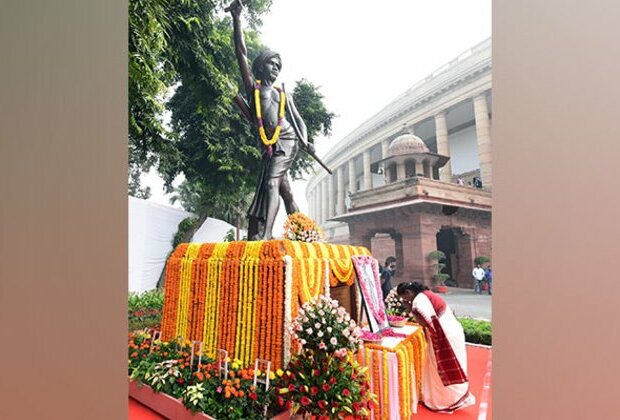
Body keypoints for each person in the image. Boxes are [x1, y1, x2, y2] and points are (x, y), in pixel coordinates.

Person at [229, 0, 315, 240]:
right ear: (260, 67)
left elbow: (299, 121)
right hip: (268, 144)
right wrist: (237, 19)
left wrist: (306, 141)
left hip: (286, 139)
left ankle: (266, 235)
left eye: (279, 65)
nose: (276, 68)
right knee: (285, 191)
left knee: (271, 184)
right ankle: (305, 233)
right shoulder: (253, 89)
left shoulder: (282, 93)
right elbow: (241, 54)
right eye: (271, 63)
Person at [397, 282, 475, 413]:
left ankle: (442, 401)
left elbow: (425, 322)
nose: (405, 300)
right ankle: (452, 397)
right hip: (453, 331)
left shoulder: (418, 300)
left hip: (444, 336)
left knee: (439, 369)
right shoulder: (426, 294)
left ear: (409, 292)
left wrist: (409, 309)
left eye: (405, 298)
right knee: (451, 365)